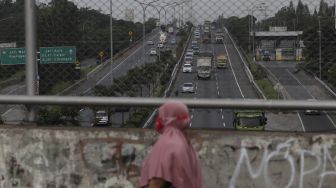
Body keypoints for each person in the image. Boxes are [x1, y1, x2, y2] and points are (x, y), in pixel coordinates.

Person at [139, 101, 202, 188]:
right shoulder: (186, 144)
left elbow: (156, 183)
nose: (158, 120)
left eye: (161, 116)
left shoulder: (165, 145)